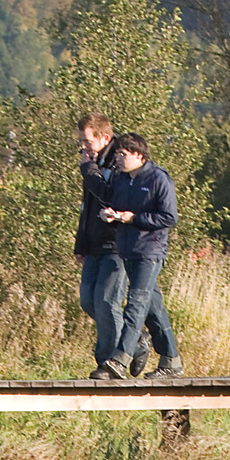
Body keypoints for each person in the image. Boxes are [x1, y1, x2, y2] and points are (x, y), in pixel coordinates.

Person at [90, 133, 184, 379]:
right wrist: (111, 216)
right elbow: (117, 207)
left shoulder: (158, 179)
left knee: (136, 305)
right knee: (154, 310)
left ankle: (120, 360)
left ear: (139, 156)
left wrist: (134, 218)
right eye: (118, 154)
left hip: (150, 251)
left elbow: (169, 217)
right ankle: (171, 362)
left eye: (124, 155)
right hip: (127, 250)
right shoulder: (121, 180)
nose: (118, 159)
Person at [76, 112, 150, 378]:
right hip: (93, 243)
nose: (83, 147)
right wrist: (80, 244)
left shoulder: (119, 160)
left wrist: (89, 170)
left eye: (87, 141)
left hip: (117, 244)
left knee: (107, 301)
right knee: (88, 301)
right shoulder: (94, 162)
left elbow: (108, 197)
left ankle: (107, 361)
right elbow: (88, 208)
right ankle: (136, 341)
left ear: (104, 137)